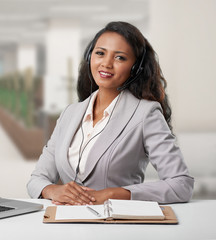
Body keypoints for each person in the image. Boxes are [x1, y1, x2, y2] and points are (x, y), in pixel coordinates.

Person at [27, 21, 194, 205]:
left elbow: (181, 185)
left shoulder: (146, 114)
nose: (106, 64)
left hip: (116, 225)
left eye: (120, 58)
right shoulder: (70, 113)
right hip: (68, 225)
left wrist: (112, 194)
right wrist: (54, 190)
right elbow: (36, 180)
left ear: (135, 68)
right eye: (100, 53)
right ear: (90, 57)